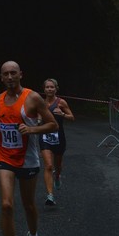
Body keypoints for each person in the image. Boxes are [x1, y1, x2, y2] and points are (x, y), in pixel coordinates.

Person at [0, 61, 58, 236]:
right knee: (6, 205)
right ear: (1, 77)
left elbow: (53, 124)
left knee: (28, 205)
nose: (10, 77)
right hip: (4, 157)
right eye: (5, 74)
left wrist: (32, 129)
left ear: (21, 75)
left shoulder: (33, 98)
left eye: (13, 73)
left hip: (28, 160)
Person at [39, 78, 75, 206]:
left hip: (59, 137)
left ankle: (58, 176)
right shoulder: (40, 103)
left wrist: (63, 114)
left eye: (52, 87)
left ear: (56, 88)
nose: (49, 89)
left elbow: (72, 117)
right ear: (44, 89)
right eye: (47, 87)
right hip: (44, 137)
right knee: (48, 165)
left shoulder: (61, 102)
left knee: (57, 166)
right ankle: (50, 195)